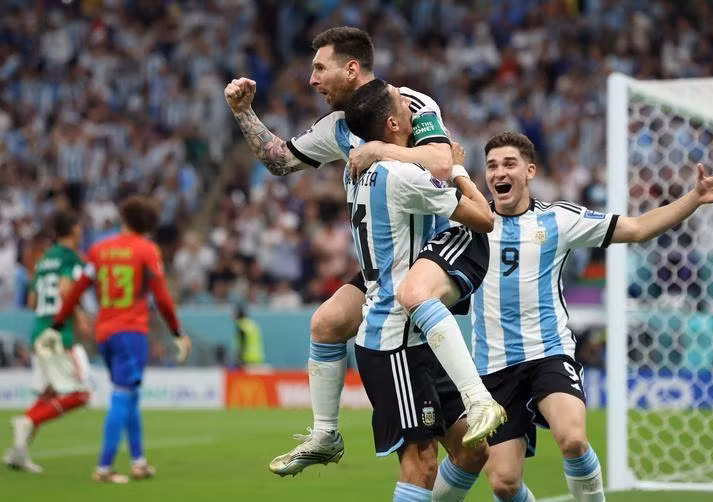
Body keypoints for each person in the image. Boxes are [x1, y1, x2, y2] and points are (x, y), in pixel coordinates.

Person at [225, 26, 502, 477]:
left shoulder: (410, 105)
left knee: (411, 298)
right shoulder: (340, 127)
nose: (312, 80)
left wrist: (377, 150)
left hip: (434, 251)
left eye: (320, 68)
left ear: (351, 68)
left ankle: (476, 396)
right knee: (328, 322)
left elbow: (441, 160)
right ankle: (325, 433)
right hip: (390, 264)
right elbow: (278, 160)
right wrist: (243, 113)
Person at [474, 132, 713, 502]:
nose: (499, 172)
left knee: (572, 439)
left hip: (547, 353)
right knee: (504, 483)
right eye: (492, 165)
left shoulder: (558, 219)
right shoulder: (471, 224)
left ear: (529, 171)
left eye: (509, 164)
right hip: (493, 364)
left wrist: (695, 198)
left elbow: (636, 229)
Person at [343, 78, 497, 502]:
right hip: (393, 338)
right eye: (404, 106)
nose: (414, 111)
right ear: (394, 124)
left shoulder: (356, 164)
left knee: (471, 451)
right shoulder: (402, 175)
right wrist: (462, 171)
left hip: (418, 333)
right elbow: (484, 219)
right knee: (422, 462)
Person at [48, 195, 192, 483]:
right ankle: (104, 467)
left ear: (124, 220)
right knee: (123, 395)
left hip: (105, 332)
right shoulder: (147, 250)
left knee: (130, 395)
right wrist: (177, 331)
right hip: (131, 332)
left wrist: (58, 323)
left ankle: (138, 462)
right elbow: (161, 297)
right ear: (148, 226)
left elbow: (77, 289)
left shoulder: (100, 249)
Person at [3, 211, 91, 473]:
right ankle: (27, 421)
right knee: (80, 394)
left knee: (47, 394)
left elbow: (31, 302)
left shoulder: (42, 261)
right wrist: (80, 317)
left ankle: (17, 452)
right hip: (58, 332)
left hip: (39, 330)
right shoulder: (70, 258)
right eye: (80, 227)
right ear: (74, 229)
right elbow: (66, 291)